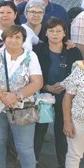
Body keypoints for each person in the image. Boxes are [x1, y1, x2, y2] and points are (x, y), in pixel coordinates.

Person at [0, 25, 43, 168]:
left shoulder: (31, 56)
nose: (14, 40)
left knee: (25, 148)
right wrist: (1, 95)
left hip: (23, 109)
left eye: (18, 37)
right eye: (10, 36)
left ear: (23, 40)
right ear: (5, 38)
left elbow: (37, 82)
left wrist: (15, 96)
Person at [33, 18, 82, 167]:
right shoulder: (38, 50)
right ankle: (32, 161)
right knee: (38, 130)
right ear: (46, 33)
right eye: (51, 31)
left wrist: (67, 87)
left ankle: (63, 163)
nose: (55, 34)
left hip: (66, 96)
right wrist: (46, 87)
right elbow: (33, 73)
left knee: (63, 131)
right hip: (43, 95)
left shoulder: (73, 51)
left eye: (58, 31)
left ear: (64, 33)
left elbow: (78, 73)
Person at [61, 57, 84, 167]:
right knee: (74, 156)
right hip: (78, 121)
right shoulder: (80, 69)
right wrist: (67, 122)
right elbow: (68, 97)